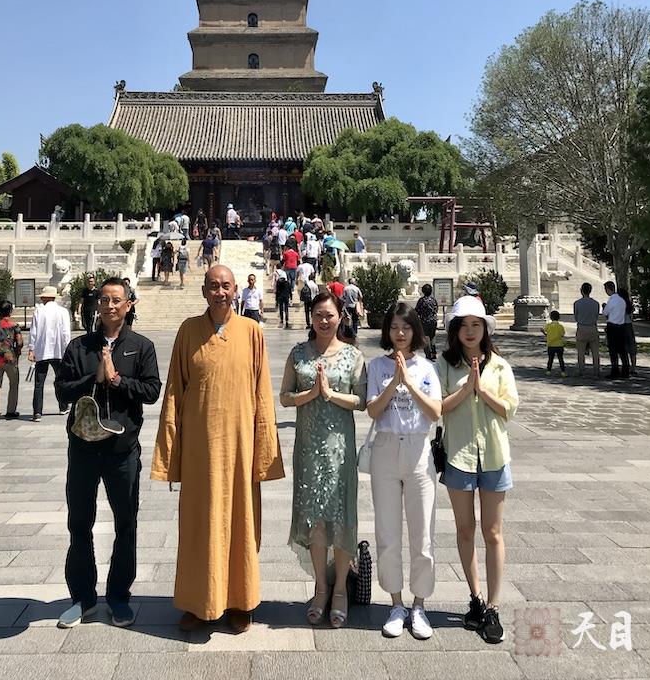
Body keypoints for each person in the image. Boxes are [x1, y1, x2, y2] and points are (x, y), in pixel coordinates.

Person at [151, 265, 284, 633]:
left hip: (240, 448)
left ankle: (241, 601)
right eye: (213, 286)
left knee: (240, 522)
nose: (220, 292)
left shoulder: (252, 331)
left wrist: (264, 451)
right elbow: (174, 392)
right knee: (199, 524)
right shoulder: (188, 331)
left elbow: (262, 395)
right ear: (204, 291)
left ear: (236, 290)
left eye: (226, 286)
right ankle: (198, 601)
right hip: (200, 449)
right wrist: (171, 453)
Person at [55, 277, 161, 629]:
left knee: (126, 524)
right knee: (79, 523)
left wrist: (117, 380)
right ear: (97, 305)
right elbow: (62, 390)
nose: (110, 306)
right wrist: (94, 378)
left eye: (117, 300)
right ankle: (82, 598)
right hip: (84, 450)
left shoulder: (141, 346)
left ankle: (118, 597)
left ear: (129, 305)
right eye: (104, 300)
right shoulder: (80, 346)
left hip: (122, 451)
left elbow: (151, 391)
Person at [280, 290, 367, 629]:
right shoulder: (298, 353)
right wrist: (311, 394)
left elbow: (362, 401)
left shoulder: (353, 355)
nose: (324, 320)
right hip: (309, 447)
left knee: (341, 516)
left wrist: (331, 395)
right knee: (315, 517)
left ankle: (341, 589)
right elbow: (285, 398)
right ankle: (321, 586)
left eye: (330, 314)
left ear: (341, 317)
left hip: (339, 447)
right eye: (318, 314)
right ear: (311, 317)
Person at [438, 296, 518, 644]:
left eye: (476, 325)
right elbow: (437, 406)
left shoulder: (499, 365)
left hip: (495, 457)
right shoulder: (444, 364)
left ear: (485, 329)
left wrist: (481, 389)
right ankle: (475, 598)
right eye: (463, 326)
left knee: (493, 532)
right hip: (458, 455)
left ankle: (495, 606)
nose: (470, 331)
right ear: (455, 331)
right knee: (465, 529)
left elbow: (509, 410)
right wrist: (466, 387)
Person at [367, 302, 441, 639]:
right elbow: (373, 410)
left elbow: (435, 411)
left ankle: (419, 605)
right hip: (385, 448)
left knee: (422, 533)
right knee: (388, 532)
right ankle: (395, 603)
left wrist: (408, 383)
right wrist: (392, 381)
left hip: (417, 450)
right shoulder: (377, 365)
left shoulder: (426, 368)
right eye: (395, 327)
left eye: (406, 327)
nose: (400, 333)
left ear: (416, 332)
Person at [28, 285, 71, 423]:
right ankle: (63, 406)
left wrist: (31, 349)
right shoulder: (63, 312)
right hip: (58, 351)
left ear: (46, 297)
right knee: (61, 380)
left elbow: (33, 332)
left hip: (42, 351)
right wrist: (67, 350)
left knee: (39, 383)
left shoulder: (39, 312)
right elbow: (66, 333)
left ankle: (37, 412)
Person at [0, 300, 23, 423]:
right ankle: (11, 410)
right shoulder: (14, 326)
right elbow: (20, 342)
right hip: (10, 358)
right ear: (10, 311)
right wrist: (17, 353)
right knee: (13, 384)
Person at [573, 282, 601, 378]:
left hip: (582, 327)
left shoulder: (577, 303)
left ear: (581, 291)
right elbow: (597, 316)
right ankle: (596, 371)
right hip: (592, 327)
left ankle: (581, 370)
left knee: (580, 352)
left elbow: (576, 317)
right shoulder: (596, 303)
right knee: (595, 352)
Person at [602, 281, 629, 378]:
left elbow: (605, 313)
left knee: (613, 350)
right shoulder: (622, 300)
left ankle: (615, 370)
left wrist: (604, 307)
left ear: (608, 290)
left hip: (612, 326)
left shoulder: (611, 300)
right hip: (621, 326)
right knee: (622, 350)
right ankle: (626, 370)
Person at [415, 284, 439, 360]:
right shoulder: (433, 300)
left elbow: (417, 311)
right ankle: (434, 352)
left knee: (425, 337)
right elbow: (436, 309)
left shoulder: (421, 301)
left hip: (424, 321)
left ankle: (428, 354)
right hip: (433, 321)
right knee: (432, 336)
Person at [617, 287, 638, 376]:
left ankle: (625, 366)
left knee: (623, 347)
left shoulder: (619, 304)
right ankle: (633, 367)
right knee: (631, 346)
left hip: (621, 325)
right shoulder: (629, 304)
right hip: (629, 325)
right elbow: (631, 316)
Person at [542, 310, 567, 376]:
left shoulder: (548, 326)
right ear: (559, 317)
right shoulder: (560, 326)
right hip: (559, 345)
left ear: (551, 317)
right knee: (561, 359)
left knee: (550, 359)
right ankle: (563, 372)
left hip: (550, 345)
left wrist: (545, 333)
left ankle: (548, 371)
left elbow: (544, 331)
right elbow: (562, 335)